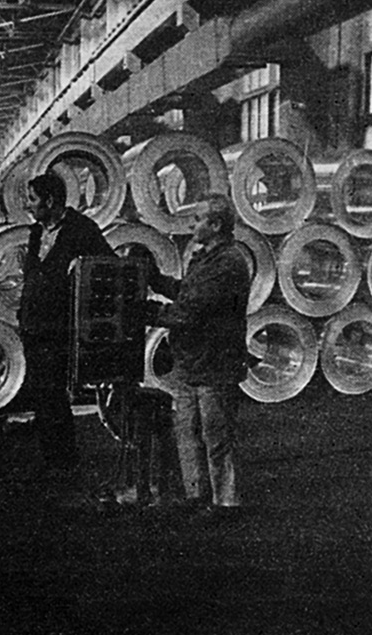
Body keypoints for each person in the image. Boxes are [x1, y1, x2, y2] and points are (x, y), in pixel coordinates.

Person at [145, 193, 251, 514]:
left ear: (215, 225)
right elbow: (187, 292)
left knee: (216, 436)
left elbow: (191, 310)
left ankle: (226, 502)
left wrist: (147, 312)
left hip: (215, 363)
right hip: (193, 361)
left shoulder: (228, 262)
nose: (192, 225)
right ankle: (196, 494)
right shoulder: (205, 257)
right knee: (188, 431)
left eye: (197, 219)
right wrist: (156, 280)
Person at [18, 172, 113, 477]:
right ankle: (52, 459)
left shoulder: (82, 229)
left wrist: (81, 268)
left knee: (54, 395)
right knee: (41, 394)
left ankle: (64, 461)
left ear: (49, 201)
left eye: (32, 199)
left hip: (60, 328)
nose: (27, 204)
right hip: (33, 326)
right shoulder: (36, 232)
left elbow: (108, 267)